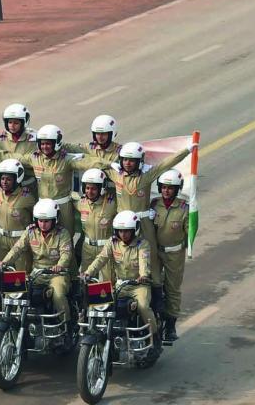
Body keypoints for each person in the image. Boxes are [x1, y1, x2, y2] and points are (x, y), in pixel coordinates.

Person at [105, 141, 193, 310]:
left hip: (143, 224)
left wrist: (187, 150)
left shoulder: (147, 176)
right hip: (121, 225)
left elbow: (167, 163)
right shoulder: (114, 173)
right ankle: (102, 310)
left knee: (151, 260)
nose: (127, 163)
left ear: (140, 162)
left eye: (132, 160)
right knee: (109, 262)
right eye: (125, 160)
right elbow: (93, 160)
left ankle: (157, 300)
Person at [83, 210, 159, 351]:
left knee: (143, 306)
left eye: (127, 231)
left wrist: (143, 275)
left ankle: (154, 338)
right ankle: (94, 330)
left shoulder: (142, 244)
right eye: (120, 231)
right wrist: (87, 273)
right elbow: (101, 259)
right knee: (98, 302)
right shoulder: (112, 243)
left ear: (134, 230)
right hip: (119, 285)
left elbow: (144, 262)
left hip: (138, 285)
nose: (123, 234)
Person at [19, 124, 106, 238]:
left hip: (63, 206)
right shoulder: (35, 158)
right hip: (43, 205)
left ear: (56, 143)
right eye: (43, 143)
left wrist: (109, 164)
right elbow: (15, 157)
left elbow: (88, 162)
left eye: (48, 143)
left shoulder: (66, 159)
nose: (45, 147)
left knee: (66, 237)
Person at [0, 199, 73, 321]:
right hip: (36, 273)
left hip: (57, 274)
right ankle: (9, 319)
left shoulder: (63, 234)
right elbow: (17, 248)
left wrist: (60, 266)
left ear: (54, 220)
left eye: (46, 221)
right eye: (40, 221)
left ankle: (65, 324)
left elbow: (66, 254)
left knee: (58, 294)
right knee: (12, 288)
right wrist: (4, 262)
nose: (43, 224)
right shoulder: (30, 231)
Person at [151, 169, 189, 341]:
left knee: (173, 288)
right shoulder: (153, 204)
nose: (167, 191)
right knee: (154, 282)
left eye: (171, 188)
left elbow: (189, 231)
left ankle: (171, 325)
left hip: (174, 253)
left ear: (177, 189)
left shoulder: (184, 208)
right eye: (164, 187)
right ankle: (156, 311)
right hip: (155, 252)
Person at [0, 158, 36, 269]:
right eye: (2, 179)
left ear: (17, 179)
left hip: (19, 240)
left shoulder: (27, 197)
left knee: (21, 276)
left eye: (8, 179)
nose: (4, 182)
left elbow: (36, 218)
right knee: (0, 272)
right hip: (1, 239)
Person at [75, 168, 116, 279]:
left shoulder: (112, 204)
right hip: (87, 248)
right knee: (86, 279)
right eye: (87, 188)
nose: (89, 191)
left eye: (93, 189)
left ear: (101, 189)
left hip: (105, 248)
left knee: (106, 282)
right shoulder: (81, 203)